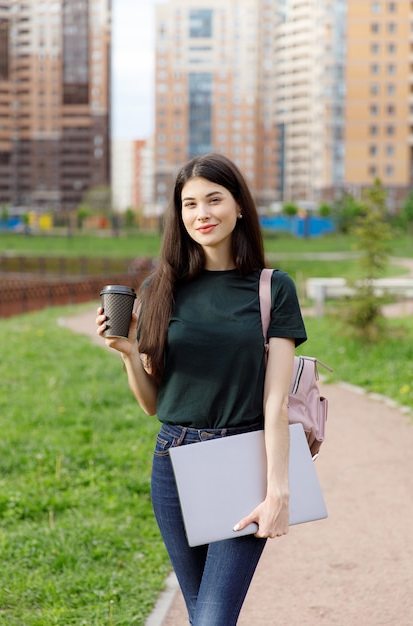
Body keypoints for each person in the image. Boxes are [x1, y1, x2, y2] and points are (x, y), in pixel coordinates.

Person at [96, 153, 307, 625]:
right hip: (171, 461)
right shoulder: (159, 288)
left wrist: (279, 493)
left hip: (241, 457)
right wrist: (129, 352)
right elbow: (154, 405)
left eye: (214, 199)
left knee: (212, 619)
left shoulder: (273, 288)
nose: (202, 214)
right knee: (203, 617)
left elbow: (275, 403)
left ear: (239, 208)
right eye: (189, 204)